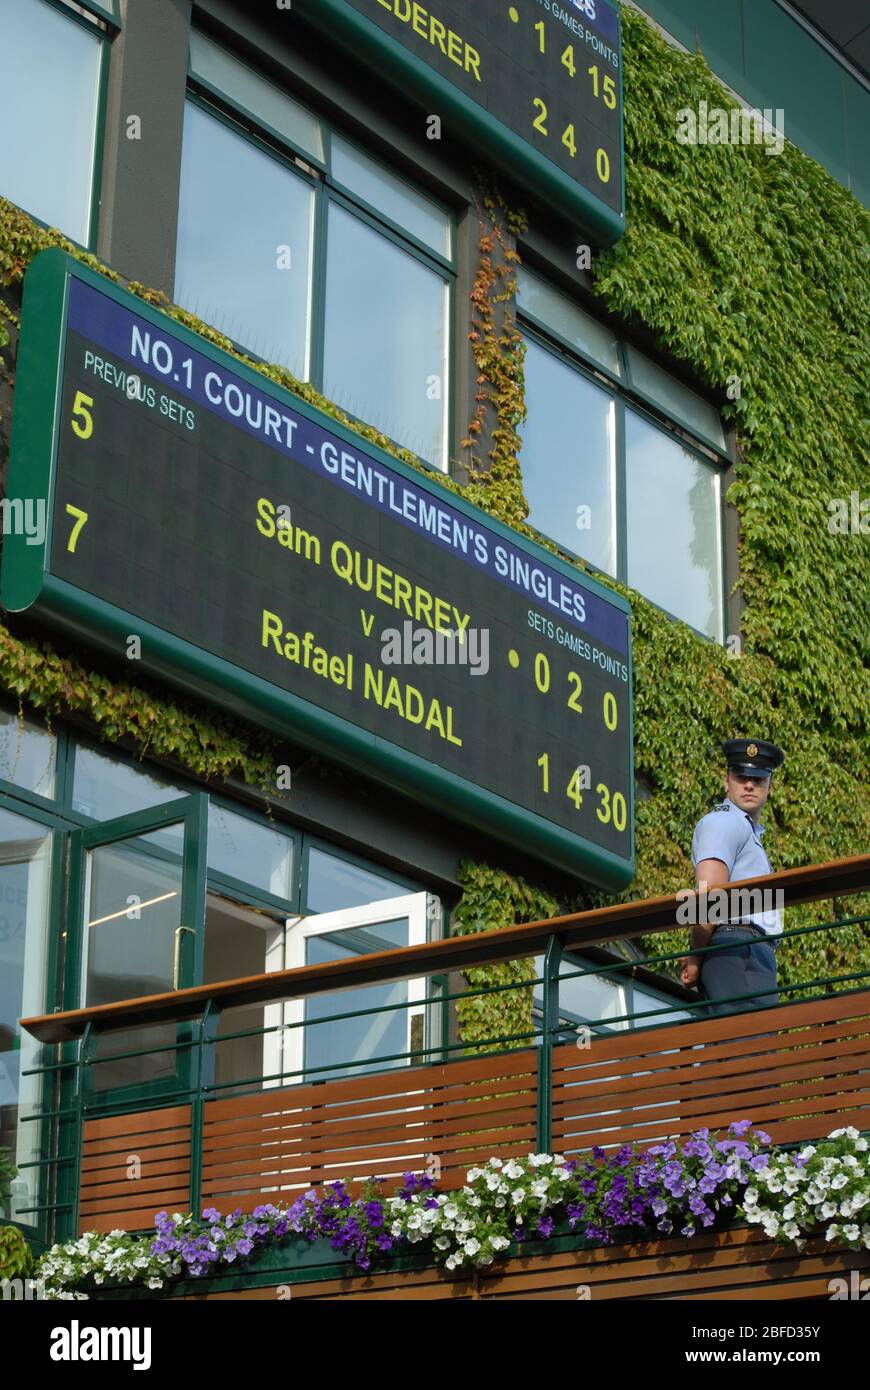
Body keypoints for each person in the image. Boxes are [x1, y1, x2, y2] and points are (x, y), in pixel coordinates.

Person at [680, 739, 785, 1016]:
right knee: (746, 1044)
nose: (749, 785)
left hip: (746, 949)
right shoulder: (724, 822)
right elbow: (708, 901)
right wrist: (695, 957)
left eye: (758, 779)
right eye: (741, 777)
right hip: (736, 948)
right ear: (727, 780)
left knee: (750, 1049)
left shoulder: (745, 829)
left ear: (769, 785)